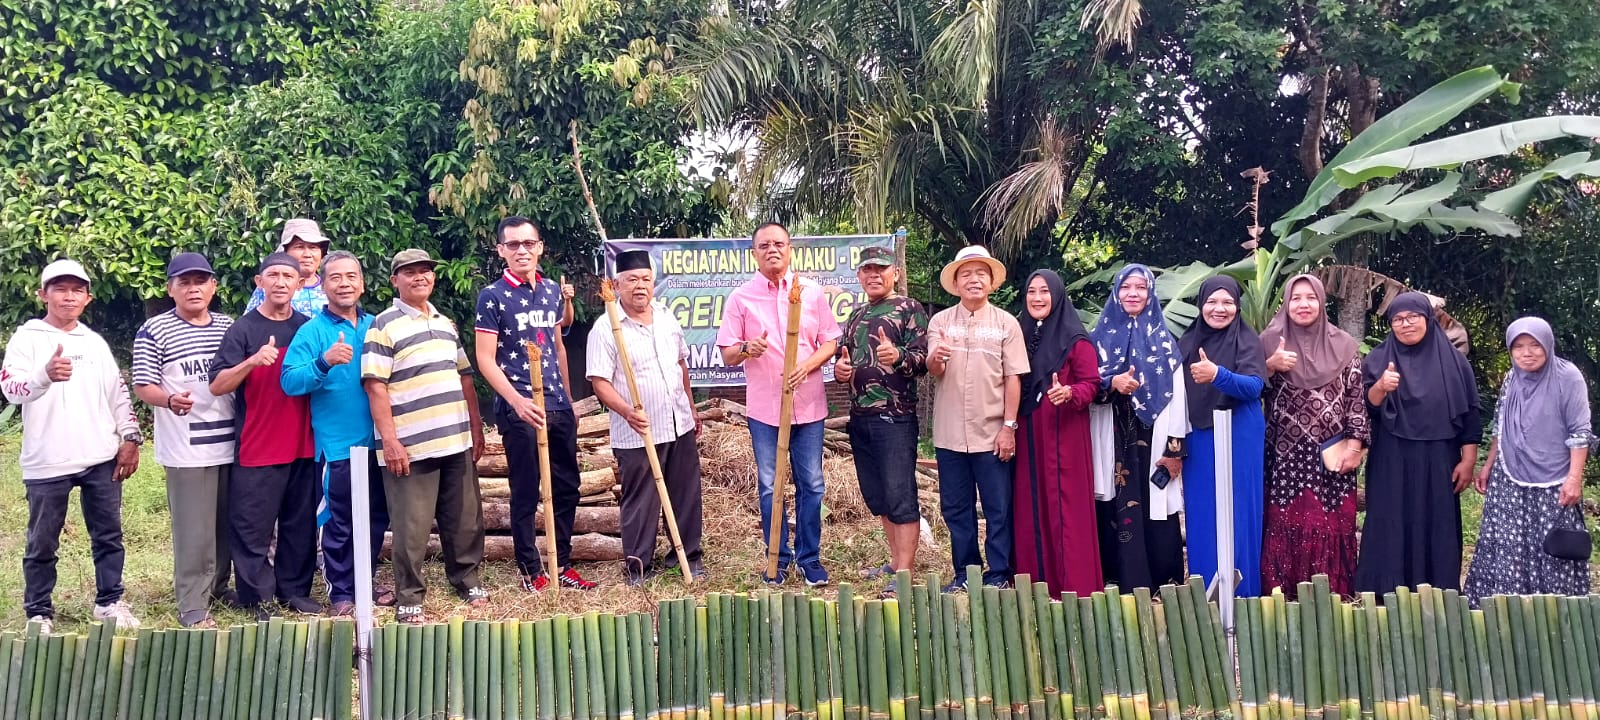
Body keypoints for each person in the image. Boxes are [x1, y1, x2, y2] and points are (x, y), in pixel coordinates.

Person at [2, 259, 143, 633]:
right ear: (43, 294)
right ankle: (38, 611)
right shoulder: (27, 338)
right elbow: (10, 389)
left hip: (99, 455)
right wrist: (43, 375)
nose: (68, 296)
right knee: (42, 541)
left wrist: (130, 437)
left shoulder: (94, 343)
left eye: (76, 290)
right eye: (60, 289)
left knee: (109, 535)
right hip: (47, 459)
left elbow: (117, 393)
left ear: (88, 297)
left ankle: (109, 601)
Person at [364, 248, 490, 624]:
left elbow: (465, 376)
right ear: (394, 281)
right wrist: (389, 440)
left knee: (464, 519)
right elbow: (375, 385)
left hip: (456, 440)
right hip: (411, 445)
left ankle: (467, 579)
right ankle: (410, 595)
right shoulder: (383, 325)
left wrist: (475, 425)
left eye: (425, 271)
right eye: (410, 272)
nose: (420, 277)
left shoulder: (446, 323)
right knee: (411, 527)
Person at [474, 216, 597, 592]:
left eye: (528, 243)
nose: (522, 250)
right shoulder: (492, 295)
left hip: (557, 404)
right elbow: (484, 358)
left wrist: (569, 399)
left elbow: (557, 344)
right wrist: (516, 401)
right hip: (518, 406)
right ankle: (531, 570)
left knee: (566, 485)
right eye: (513, 245)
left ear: (540, 247)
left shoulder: (549, 292)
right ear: (501, 251)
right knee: (527, 489)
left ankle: (562, 562)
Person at [716, 222, 842, 586]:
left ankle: (809, 557)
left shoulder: (810, 293)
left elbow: (830, 342)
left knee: (812, 483)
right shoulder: (741, 298)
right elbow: (727, 353)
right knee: (770, 485)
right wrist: (747, 349)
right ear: (754, 253)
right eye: (764, 245)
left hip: (809, 406)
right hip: (766, 410)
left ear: (790, 250)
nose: (772, 250)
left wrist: (807, 366)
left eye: (779, 244)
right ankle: (778, 557)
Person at [280, 251, 393, 616]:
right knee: (339, 521)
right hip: (337, 446)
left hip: (380, 443)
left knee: (376, 517)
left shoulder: (378, 325)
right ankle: (341, 591)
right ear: (322, 284)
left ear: (362, 282)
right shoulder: (312, 331)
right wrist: (323, 362)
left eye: (351, 276)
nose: (344, 283)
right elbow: (289, 381)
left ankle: (366, 580)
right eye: (335, 278)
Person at [210, 252, 321, 619]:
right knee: (251, 528)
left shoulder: (308, 327)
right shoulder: (242, 330)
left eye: (287, 276)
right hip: (258, 445)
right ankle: (257, 598)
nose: (279, 282)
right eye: (271, 275)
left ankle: (294, 591)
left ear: (300, 283)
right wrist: (251, 361)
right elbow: (217, 384)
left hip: (303, 445)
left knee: (299, 524)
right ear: (259, 283)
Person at [586, 249, 705, 585]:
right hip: (637, 432)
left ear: (654, 283)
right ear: (617, 285)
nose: (640, 287)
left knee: (685, 494)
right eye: (632, 280)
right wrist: (626, 411)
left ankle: (688, 556)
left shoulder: (667, 317)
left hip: (678, 423)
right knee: (641, 500)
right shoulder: (606, 327)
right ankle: (638, 565)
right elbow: (599, 382)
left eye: (646, 280)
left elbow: (680, 365)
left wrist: (692, 410)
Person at [131, 252, 236, 628]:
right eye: (184, 282)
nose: (193, 289)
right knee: (194, 529)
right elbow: (143, 384)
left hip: (231, 441)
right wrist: (169, 399)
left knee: (226, 524)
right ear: (170, 288)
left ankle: (220, 587)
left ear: (213, 287)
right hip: (187, 446)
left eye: (200, 281)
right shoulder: (155, 330)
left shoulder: (228, 326)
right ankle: (192, 602)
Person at [1354, 292, 1481, 593]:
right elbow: (1365, 407)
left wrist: (1468, 460)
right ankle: (1385, 591)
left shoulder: (1454, 362)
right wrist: (1382, 388)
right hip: (1391, 455)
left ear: (1428, 319)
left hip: (1439, 456)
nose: (1405, 324)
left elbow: (1470, 414)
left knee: (1437, 520)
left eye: (1413, 317)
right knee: (1389, 518)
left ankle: (1437, 591)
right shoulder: (1377, 359)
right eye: (1398, 319)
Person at [1463, 317, 1591, 603]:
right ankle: (1507, 610)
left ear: (1547, 344)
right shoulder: (1512, 378)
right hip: (1509, 477)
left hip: (1554, 480)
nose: (1526, 353)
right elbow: (1501, 425)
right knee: (1509, 546)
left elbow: (1581, 431)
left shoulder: (1567, 377)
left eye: (1534, 345)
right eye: (1518, 347)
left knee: (1550, 547)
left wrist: (1574, 478)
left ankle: (1552, 613)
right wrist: (1489, 464)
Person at [1257, 274, 1368, 599]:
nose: (1303, 304)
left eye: (1311, 298)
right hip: (1283, 459)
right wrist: (1270, 366)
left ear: (1322, 302)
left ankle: (1332, 595)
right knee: (1283, 522)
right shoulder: (1268, 343)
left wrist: (1356, 445)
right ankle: (1282, 595)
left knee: (1330, 525)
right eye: (1296, 298)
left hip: (1332, 458)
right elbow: (1248, 391)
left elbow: (1356, 401)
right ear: (1286, 304)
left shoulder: (1344, 346)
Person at [928, 245, 1028, 591]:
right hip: (949, 434)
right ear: (955, 283)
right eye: (966, 274)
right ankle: (966, 573)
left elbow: (1013, 377)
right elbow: (933, 367)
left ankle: (998, 573)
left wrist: (1009, 427)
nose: (974, 279)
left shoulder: (1006, 323)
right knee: (956, 509)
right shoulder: (940, 322)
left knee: (998, 507)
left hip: (992, 434)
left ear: (991, 282)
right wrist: (937, 358)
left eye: (980, 273)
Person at [832, 246, 929, 586]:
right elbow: (842, 358)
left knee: (900, 492)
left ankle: (904, 571)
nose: (873, 275)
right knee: (877, 494)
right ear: (859, 276)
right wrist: (840, 370)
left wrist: (898, 354)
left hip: (895, 416)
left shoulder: (909, 308)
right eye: (867, 270)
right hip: (859, 416)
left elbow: (923, 359)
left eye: (881, 269)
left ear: (895, 274)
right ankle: (893, 560)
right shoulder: (855, 315)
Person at [1089, 264, 1187, 590]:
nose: (1133, 293)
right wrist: (1111, 383)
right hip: (1111, 433)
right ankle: (1113, 577)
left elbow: (1178, 399)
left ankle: (1159, 583)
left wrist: (1174, 451)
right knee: (1110, 500)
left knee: (1153, 503)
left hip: (1150, 437)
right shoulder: (1097, 341)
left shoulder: (1164, 342)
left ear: (1150, 294)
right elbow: (1085, 388)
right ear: (1116, 292)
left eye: (1141, 288)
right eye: (1126, 287)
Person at [1011, 269, 1103, 596]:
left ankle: (1072, 588)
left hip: (1063, 438)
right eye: (1032, 292)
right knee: (1028, 508)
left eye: (1044, 292)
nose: (1037, 298)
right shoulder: (1018, 335)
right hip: (1026, 437)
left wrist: (1070, 394)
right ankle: (1033, 587)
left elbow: (1092, 384)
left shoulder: (1075, 340)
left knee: (1064, 510)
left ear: (1058, 296)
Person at [1179, 276, 1267, 598]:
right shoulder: (1187, 343)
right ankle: (1207, 597)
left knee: (1239, 513)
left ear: (1237, 305)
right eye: (1212, 302)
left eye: (1228, 302)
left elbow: (1254, 386)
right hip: (1199, 436)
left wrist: (1218, 375)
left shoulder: (1247, 340)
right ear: (1201, 304)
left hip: (1240, 433)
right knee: (1203, 514)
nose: (1220, 309)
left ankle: (1242, 600)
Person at [246, 218, 331, 317]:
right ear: (285, 252)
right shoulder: (268, 288)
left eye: (313, 247)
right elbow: (249, 325)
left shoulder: (331, 288)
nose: (308, 254)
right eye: (299, 247)